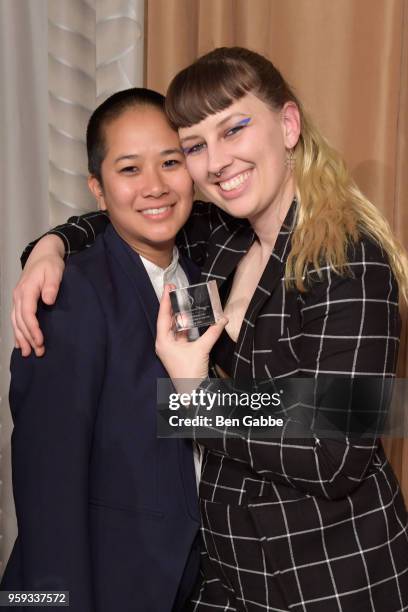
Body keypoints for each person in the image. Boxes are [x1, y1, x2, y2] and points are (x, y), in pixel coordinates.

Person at [11, 48, 408, 611]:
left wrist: (198, 397)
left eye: (234, 129)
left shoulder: (352, 262)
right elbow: (137, 207)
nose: (216, 161)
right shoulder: (222, 236)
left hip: (329, 580)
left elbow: (335, 451)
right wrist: (49, 246)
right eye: (195, 146)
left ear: (288, 125)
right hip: (225, 577)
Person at [2, 87, 226, 611]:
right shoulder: (69, 295)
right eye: (129, 169)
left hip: (190, 582)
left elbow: (189, 419)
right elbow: (47, 488)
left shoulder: (197, 274)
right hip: (100, 583)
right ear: (98, 189)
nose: (155, 185)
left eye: (170, 162)